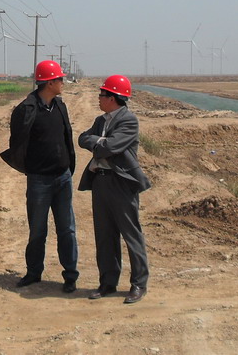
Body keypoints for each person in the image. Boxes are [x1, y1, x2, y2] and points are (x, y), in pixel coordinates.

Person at [0, 60, 79, 293]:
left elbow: (66, 137)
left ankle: (70, 275)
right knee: (37, 230)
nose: (63, 82)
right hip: (39, 181)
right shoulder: (26, 109)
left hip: (63, 178)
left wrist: (68, 167)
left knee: (67, 229)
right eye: (60, 79)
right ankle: (34, 272)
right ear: (49, 82)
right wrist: (31, 169)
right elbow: (17, 144)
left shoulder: (60, 106)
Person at [78, 75, 150, 304]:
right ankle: (108, 282)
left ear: (112, 98)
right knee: (104, 235)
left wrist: (98, 143)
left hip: (121, 183)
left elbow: (107, 147)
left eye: (101, 94)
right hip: (100, 181)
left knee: (131, 234)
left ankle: (138, 284)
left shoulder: (128, 121)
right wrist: (99, 142)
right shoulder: (101, 121)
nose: (98, 98)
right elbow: (82, 138)